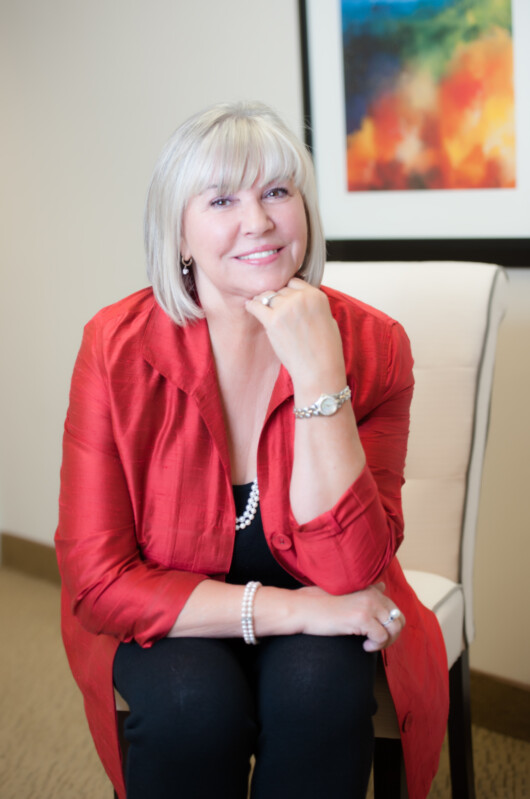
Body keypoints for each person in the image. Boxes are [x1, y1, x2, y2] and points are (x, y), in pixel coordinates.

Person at [55, 101, 448, 799]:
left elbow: (353, 566)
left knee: (320, 697)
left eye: (276, 191)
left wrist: (320, 376)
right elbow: (98, 578)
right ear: (180, 233)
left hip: (325, 590)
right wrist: (294, 611)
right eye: (222, 199)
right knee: (187, 708)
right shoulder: (114, 347)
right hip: (169, 606)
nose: (259, 220)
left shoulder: (374, 344)